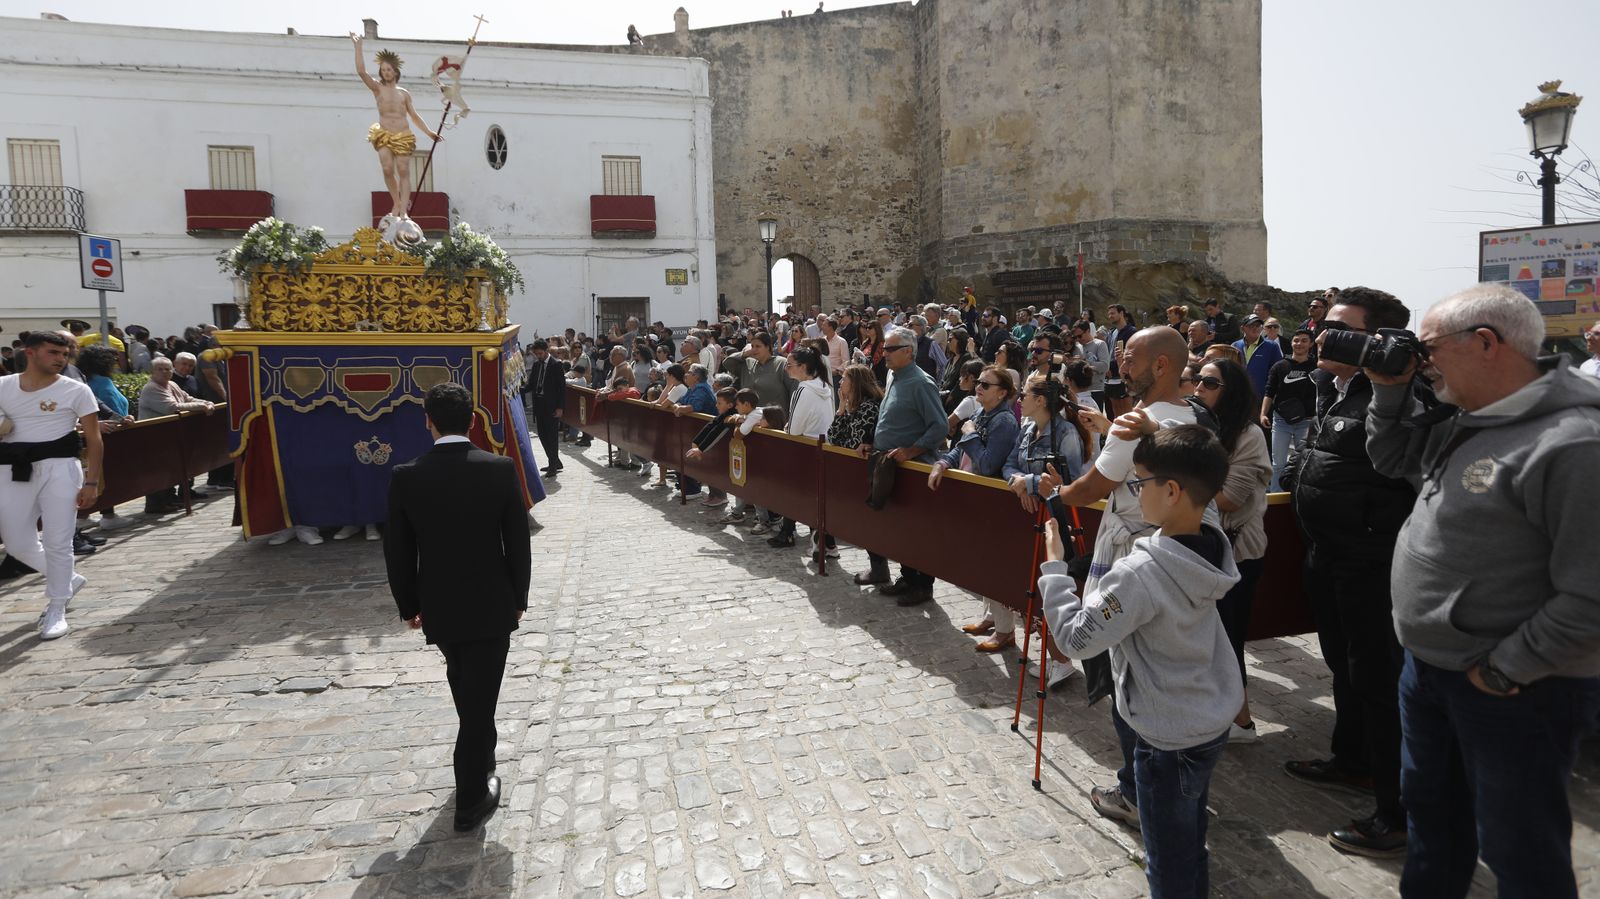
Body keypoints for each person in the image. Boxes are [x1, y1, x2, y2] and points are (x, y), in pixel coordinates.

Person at [1364, 283, 1600, 898]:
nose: (1423, 359)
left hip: (1514, 689)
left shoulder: (1575, 443)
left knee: (1519, 851)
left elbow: (1592, 595)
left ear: (1487, 343)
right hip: (1432, 672)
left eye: (1430, 346)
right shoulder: (1470, 417)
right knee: (1434, 831)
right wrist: (1389, 390)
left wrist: (1503, 671)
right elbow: (1392, 459)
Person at [1041, 425, 1241, 899]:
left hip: (1165, 739)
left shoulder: (1139, 574)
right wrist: (1159, 436)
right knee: (1191, 843)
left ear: (1170, 491)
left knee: (1167, 859)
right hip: (1209, 720)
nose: (1134, 493)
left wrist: (1054, 567)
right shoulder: (1211, 537)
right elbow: (1202, 480)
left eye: (1139, 483)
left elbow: (1075, 639)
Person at [1038, 325, 1220, 824]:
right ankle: (1179, 785)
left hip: (1138, 561)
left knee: (1128, 675)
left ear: (1161, 365)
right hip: (1187, 563)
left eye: (1132, 357)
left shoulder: (1142, 421)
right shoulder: (1193, 417)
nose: (1122, 365)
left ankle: (1139, 791)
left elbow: (1095, 484)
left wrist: (1056, 496)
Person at [1284, 285, 1418, 858]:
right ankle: (1354, 760)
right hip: (1329, 555)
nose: (1321, 335)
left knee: (1379, 681)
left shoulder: (1396, 395)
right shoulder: (1335, 390)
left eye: (1340, 328)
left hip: (1372, 562)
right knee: (1341, 665)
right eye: (1322, 324)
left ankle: (1397, 811)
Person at [384, 382, 530, 833]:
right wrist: (519, 598)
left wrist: (408, 603)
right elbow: (518, 546)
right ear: (471, 420)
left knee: (467, 685)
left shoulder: (407, 475)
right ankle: (469, 801)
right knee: (477, 703)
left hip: (441, 606)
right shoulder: (499, 469)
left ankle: (481, 758)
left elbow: (398, 550)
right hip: (491, 604)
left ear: (428, 420)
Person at [0, 331, 103, 640]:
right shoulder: (3, 387)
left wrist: (92, 481)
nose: (61, 359)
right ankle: (68, 579)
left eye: (64, 354)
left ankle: (56, 606)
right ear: (30, 353)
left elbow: (94, 438)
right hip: (12, 468)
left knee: (59, 540)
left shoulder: (77, 390)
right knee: (16, 542)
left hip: (60, 468)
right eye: (53, 353)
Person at [1190, 359, 1271, 743]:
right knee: (1206, 640)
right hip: (1200, 549)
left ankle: (1240, 722)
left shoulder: (1249, 435)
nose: (1198, 388)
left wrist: (1178, 477)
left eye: (1209, 382)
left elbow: (1228, 499)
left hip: (1235, 553)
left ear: (1231, 391)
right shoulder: (1201, 427)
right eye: (1196, 380)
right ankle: (1228, 716)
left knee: (1227, 641)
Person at [856, 327, 946, 602]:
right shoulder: (895, 375)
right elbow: (889, 415)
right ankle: (907, 577)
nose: (884, 354)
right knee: (901, 527)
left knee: (916, 529)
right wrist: (871, 440)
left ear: (909, 351)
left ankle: (922, 585)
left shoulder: (921, 382)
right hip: (891, 464)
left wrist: (911, 449)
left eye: (891, 349)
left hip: (914, 467)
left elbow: (940, 426)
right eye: (884, 348)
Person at [350, 33, 441, 222]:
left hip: (403, 135)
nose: (386, 72)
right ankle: (396, 202)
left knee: (403, 170)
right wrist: (358, 47)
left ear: (395, 71)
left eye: (389, 69)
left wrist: (429, 133)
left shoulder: (403, 94)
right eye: (383, 70)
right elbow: (361, 72)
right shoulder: (377, 89)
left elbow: (414, 116)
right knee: (386, 167)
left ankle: (403, 210)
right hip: (384, 133)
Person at [767, 349, 835, 548]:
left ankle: (796, 535)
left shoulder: (803, 390)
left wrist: (788, 428)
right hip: (823, 446)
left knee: (794, 494)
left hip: (804, 448)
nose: (786, 368)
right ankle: (825, 543)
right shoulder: (825, 385)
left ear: (803, 367)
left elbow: (794, 430)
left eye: (789, 365)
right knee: (815, 496)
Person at [1261, 328, 1317, 491]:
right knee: (1278, 463)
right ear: (1291, 342)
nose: (1299, 344)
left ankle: (1296, 496)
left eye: (1304, 340)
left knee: (1302, 463)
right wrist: (1263, 413)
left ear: (1311, 344)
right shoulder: (1279, 366)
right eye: (1296, 340)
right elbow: (1269, 391)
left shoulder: (1316, 368)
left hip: (1306, 422)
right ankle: (1277, 497)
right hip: (1280, 421)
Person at [524, 339, 567, 477]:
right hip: (539, 405)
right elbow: (531, 384)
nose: (538, 356)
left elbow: (561, 388)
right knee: (542, 435)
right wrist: (518, 390)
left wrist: (560, 407)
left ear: (546, 351)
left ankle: (553, 466)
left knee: (552, 436)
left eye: (540, 353)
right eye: (536, 354)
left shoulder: (556, 365)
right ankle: (554, 461)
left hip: (552, 406)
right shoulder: (537, 365)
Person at [1231, 314, 1283, 411]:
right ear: (1243, 328)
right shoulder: (1235, 346)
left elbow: (1277, 373)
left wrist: (1271, 395)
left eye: (1258, 326)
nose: (1255, 328)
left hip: (1261, 399)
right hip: (1238, 397)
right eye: (1251, 326)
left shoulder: (1272, 347)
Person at [1069, 320, 1110, 408]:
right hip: (1078, 391)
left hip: (1095, 390)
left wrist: (1085, 362)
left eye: (1080, 336)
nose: (1078, 339)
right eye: (1075, 337)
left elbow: (1105, 366)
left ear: (1088, 331)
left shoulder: (1100, 344)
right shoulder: (1077, 347)